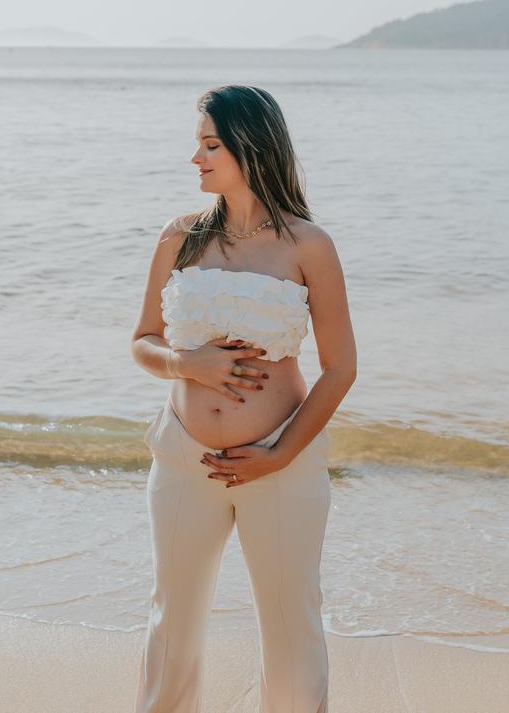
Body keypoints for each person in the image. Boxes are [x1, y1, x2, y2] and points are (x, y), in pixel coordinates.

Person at [130, 85, 357, 713]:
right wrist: (188, 363)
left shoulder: (309, 245)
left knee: (291, 632)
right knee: (171, 624)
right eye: (197, 146)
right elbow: (144, 341)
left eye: (209, 145)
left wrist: (280, 455)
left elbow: (340, 370)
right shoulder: (179, 236)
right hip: (183, 458)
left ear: (249, 148)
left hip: (280, 464)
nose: (195, 159)